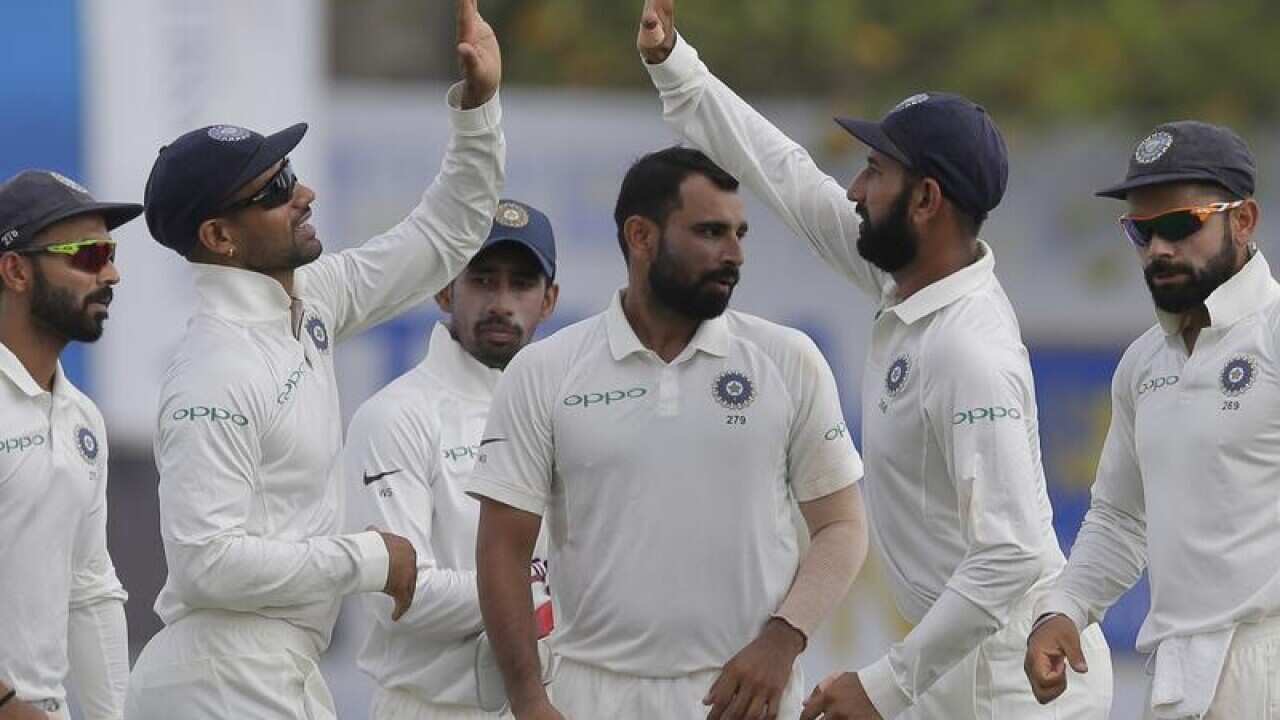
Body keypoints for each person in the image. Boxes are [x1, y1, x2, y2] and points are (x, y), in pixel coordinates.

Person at [635, 4, 1112, 719]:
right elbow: (791, 182)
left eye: (874, 172)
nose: (855, 190)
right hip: (964, 664)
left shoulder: (968, 349)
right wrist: (678, 68)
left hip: (1018, 686)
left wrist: (881, 686)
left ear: (925, 200)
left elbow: (1009, 554)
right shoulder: (911, 283)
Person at [122, 3, 504, 718]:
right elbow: (204, 564)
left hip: (272, 667)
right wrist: (367, 557)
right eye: (272, 191)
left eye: (288, 171)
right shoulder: (214, 369)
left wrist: (477, 111)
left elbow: (442, 236)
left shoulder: (308, 299)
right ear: (219, 236)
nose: (304, 193)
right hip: (219, 677)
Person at [468, 146, 868, 720]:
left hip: (743, 695)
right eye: (710, 232)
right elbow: (502, 550)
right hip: (590, 695)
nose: (734, 254)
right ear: (641, 236)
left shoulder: (787, 359)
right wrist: (529, 699)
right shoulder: (545, 371)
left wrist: (785, 638)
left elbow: (843, 526)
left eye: (739, 233)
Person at [1025, 122, 1277, 720]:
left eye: (1180, 224)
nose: (1159, 248)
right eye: (1142, 230)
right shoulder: (1143, 363)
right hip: (1176, 679)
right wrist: (1065, 607)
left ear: (1242, 220)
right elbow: (1119, 517)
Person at [345, 199, 559, 720]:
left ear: (549, 300)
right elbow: (396, 594)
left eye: (522, 284)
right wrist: (541, 599)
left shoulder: (570, 412)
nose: (502, 302)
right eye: (483, 280)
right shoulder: (395, 415)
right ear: (445, 289)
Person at [0, 171, 140, 720]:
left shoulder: (83, 417)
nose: (111, 273)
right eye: (86, 255)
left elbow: (91, 591)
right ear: (14, 270)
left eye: (110, 251)